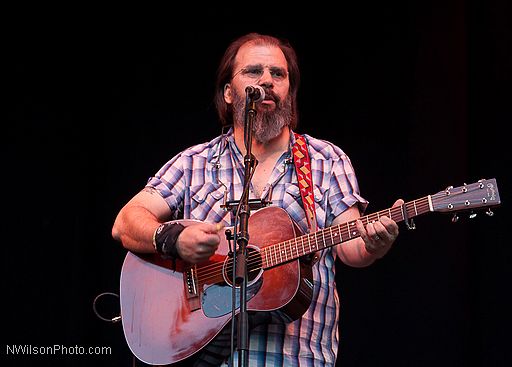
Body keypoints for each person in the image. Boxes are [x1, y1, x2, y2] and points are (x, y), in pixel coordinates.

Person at [112, 32, 403, 367]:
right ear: (229, 93)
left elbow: (353, 248)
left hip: (297, 359)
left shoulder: (325, 160)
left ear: (289, 93)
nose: (267, 81)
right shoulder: (194, 162)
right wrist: (173, 239)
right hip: (205, 357)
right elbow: (126, 221)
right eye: (253, 72)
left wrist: (375, 243)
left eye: (278, 74)